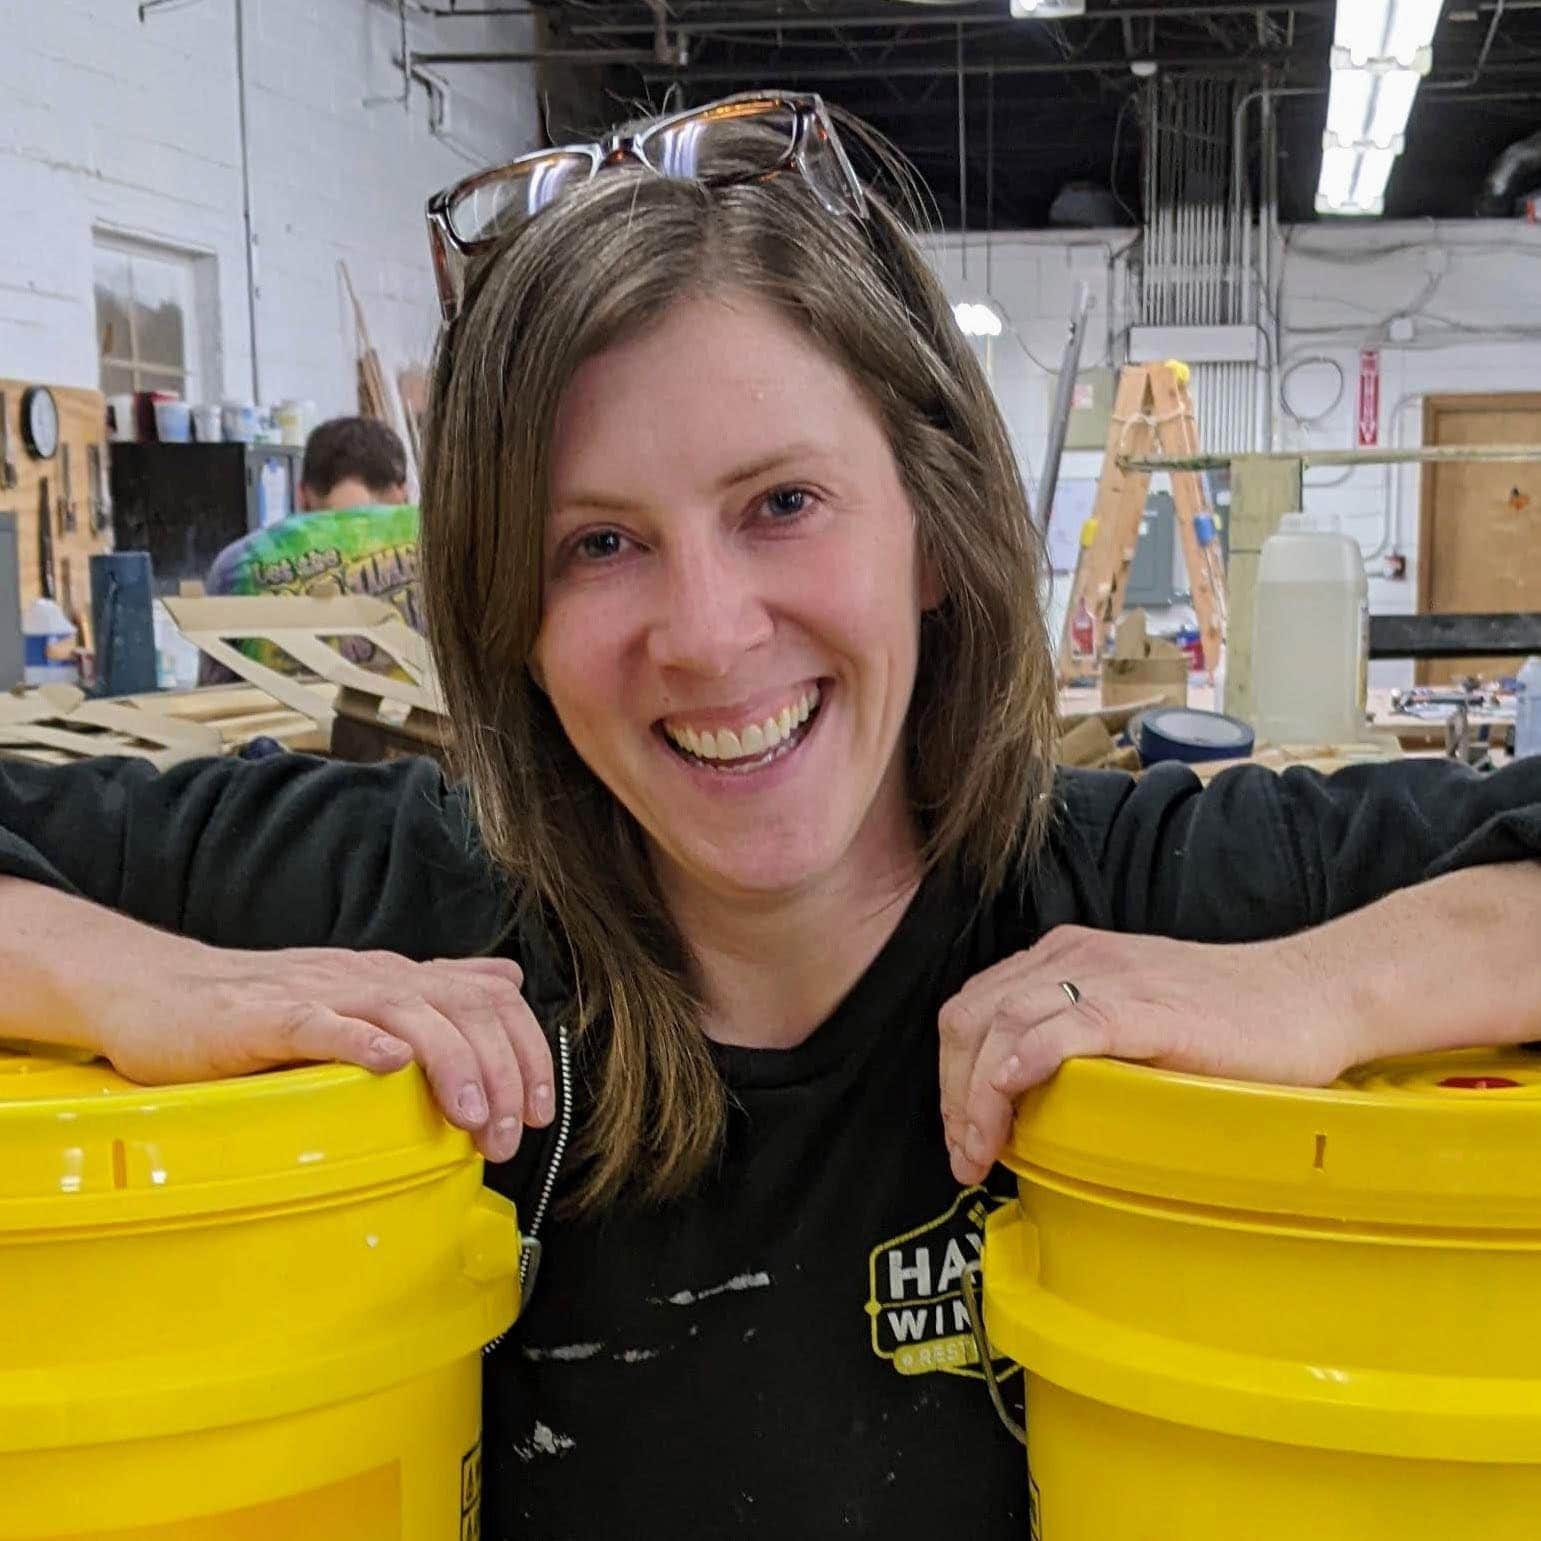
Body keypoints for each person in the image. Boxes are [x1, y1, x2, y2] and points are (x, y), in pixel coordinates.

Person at [2, 93, 1540, 1539]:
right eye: (598, 543)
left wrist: (1319, 990)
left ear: (933, 528)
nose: (708, 633)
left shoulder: (1139, 904)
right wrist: (146, 984)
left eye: (781, 505)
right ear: (507, 615)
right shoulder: (402, 907)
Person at [202, 416, 421, 675]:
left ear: (302, 494)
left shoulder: (240, 563)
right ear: (402, 492)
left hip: (285, 703)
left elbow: (214, 691)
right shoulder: (442, 540)